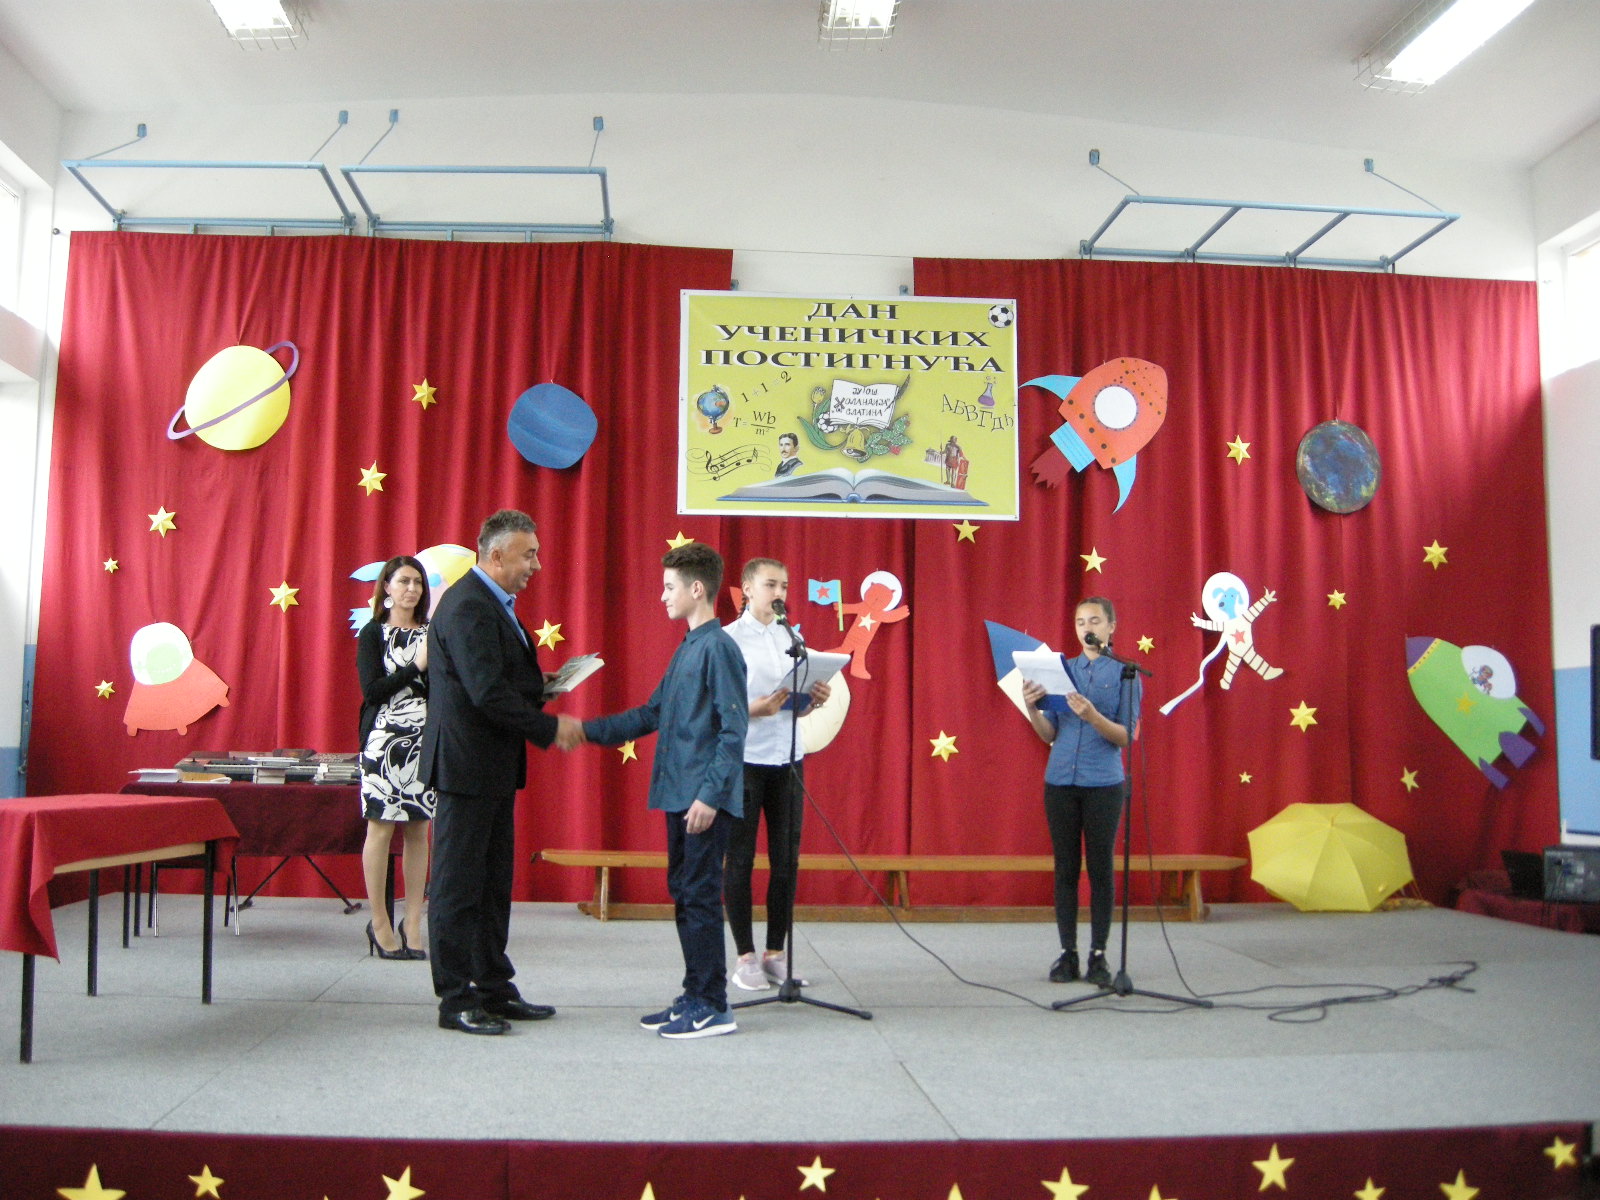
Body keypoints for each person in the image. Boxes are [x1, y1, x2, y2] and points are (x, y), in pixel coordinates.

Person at [421, 509, 585, 1035]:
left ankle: (493, 987)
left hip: (488, 766)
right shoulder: (469, 605)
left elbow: (495, 677)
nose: (536, 565)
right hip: (465, 768)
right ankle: (455, 1000)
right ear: (495, 555)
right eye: (528, 554)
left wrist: (540, 686)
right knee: (457, 888)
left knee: (491, 886)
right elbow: (486, 692)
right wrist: (548, 727)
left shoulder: (492, 603)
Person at [582, 542, 748, 1039]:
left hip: (701, 799)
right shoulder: (689, 647)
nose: (662, 596)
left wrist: (710, 796)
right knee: (686, 894)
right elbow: (652, 713)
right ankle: (695, 992)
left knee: (700, 897)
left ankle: (713, 1004)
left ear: (697, 589)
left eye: (669, 587)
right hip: (680, 794)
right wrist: (585, 731)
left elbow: (733, 731)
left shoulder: (719, 648)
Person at [722, 557, 830, 991]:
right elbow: (717, 705)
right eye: (770, 584)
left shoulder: (793, 637)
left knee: (786, 860)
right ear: (747, 588)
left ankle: (774, 954)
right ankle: (745, 956)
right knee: (741, 859)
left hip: (787, 758)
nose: (779, 593)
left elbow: (793, 704)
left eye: (784, 585)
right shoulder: (729, 639)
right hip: (745, 760)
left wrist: (812, 699)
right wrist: (756, 708)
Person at [1019, 596, 1139, 989]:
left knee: (1101, 869)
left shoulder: (1125, 674)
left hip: (1103, 783)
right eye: (1080, 621)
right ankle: (1067, 953)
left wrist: (1093, 716)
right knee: (1066, 869)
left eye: (1095, 620)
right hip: (1060, 782)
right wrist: (1032, 709)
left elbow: (1125, 736)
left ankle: (1098, 955)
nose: (1086, 627)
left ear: (1111, 626)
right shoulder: (1062, 671)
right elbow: (1049, 734)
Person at [356, 555, 435, 962]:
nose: (412, 589)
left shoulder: (432, 632)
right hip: (383, 742)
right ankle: (380, 923)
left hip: (425, 741)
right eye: (403, 581)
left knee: (419, 830)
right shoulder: (373, 633)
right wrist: (416, 665)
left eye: (418, 582)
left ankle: (414, 921)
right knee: (381, 829)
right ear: (386, 587)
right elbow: (373, 691)